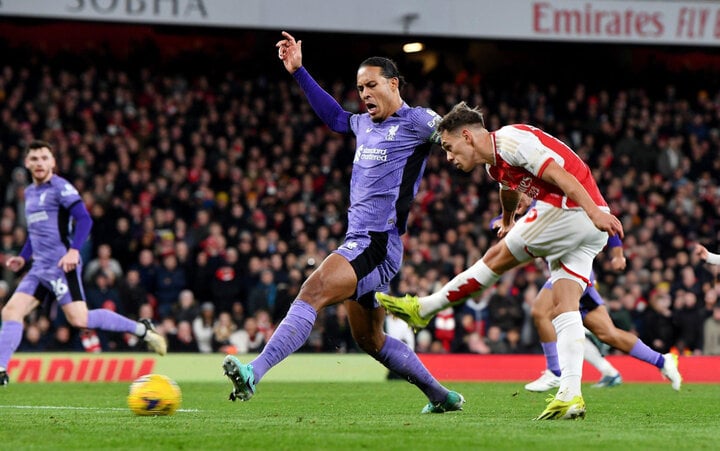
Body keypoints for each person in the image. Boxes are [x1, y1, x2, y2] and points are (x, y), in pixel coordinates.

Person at [222, 31, 464, 414]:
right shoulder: (363, 125)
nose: (364, 94)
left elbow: (455, 136)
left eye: (371, 85)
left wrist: (494, 162)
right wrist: (299, 72)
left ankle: (253, 372)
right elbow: (336, 116)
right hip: (362, 242)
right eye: (359, 88)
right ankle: (441, 397)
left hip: (377, 241)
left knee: (313, 289)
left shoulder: (417, 121)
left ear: (393, 84)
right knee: (370, 340)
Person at [377, 102, 624, 420]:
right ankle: (571, 395)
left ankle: (425, 309)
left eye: (450, 148)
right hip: (586, 225)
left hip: (572, 209)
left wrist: (592, 211)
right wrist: (508, 219)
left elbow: (559, 174)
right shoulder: (494, 164)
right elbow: (509, 189)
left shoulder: (511, 141)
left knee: (496, 258)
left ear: (467, 136)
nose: (449, 158)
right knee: (565, 306)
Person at [0, 140, 166, 387]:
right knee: (10, 312)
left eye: (44, 158)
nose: (39, 163)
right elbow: (37, 233)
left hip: (61, 267)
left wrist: (74, 251)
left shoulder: (60, 188)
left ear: (53, 162)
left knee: (80, 319)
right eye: (34, 158)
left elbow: (85, 219)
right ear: (26, 163)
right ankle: (1, 368)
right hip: (38, 270)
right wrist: (23, 257)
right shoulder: (30, 193)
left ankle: (141, 329)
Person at [497, 196, 682, 391]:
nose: (517, 197)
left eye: (520, 193)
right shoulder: (527, 214)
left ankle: (555, 372)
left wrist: (618, 254)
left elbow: (605, 219)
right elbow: (500, 223)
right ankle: (662, 361)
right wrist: (505, 221)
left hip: (573, 272)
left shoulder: (554, 202)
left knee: (540, 312)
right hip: (572, 277)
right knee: (608, 334)